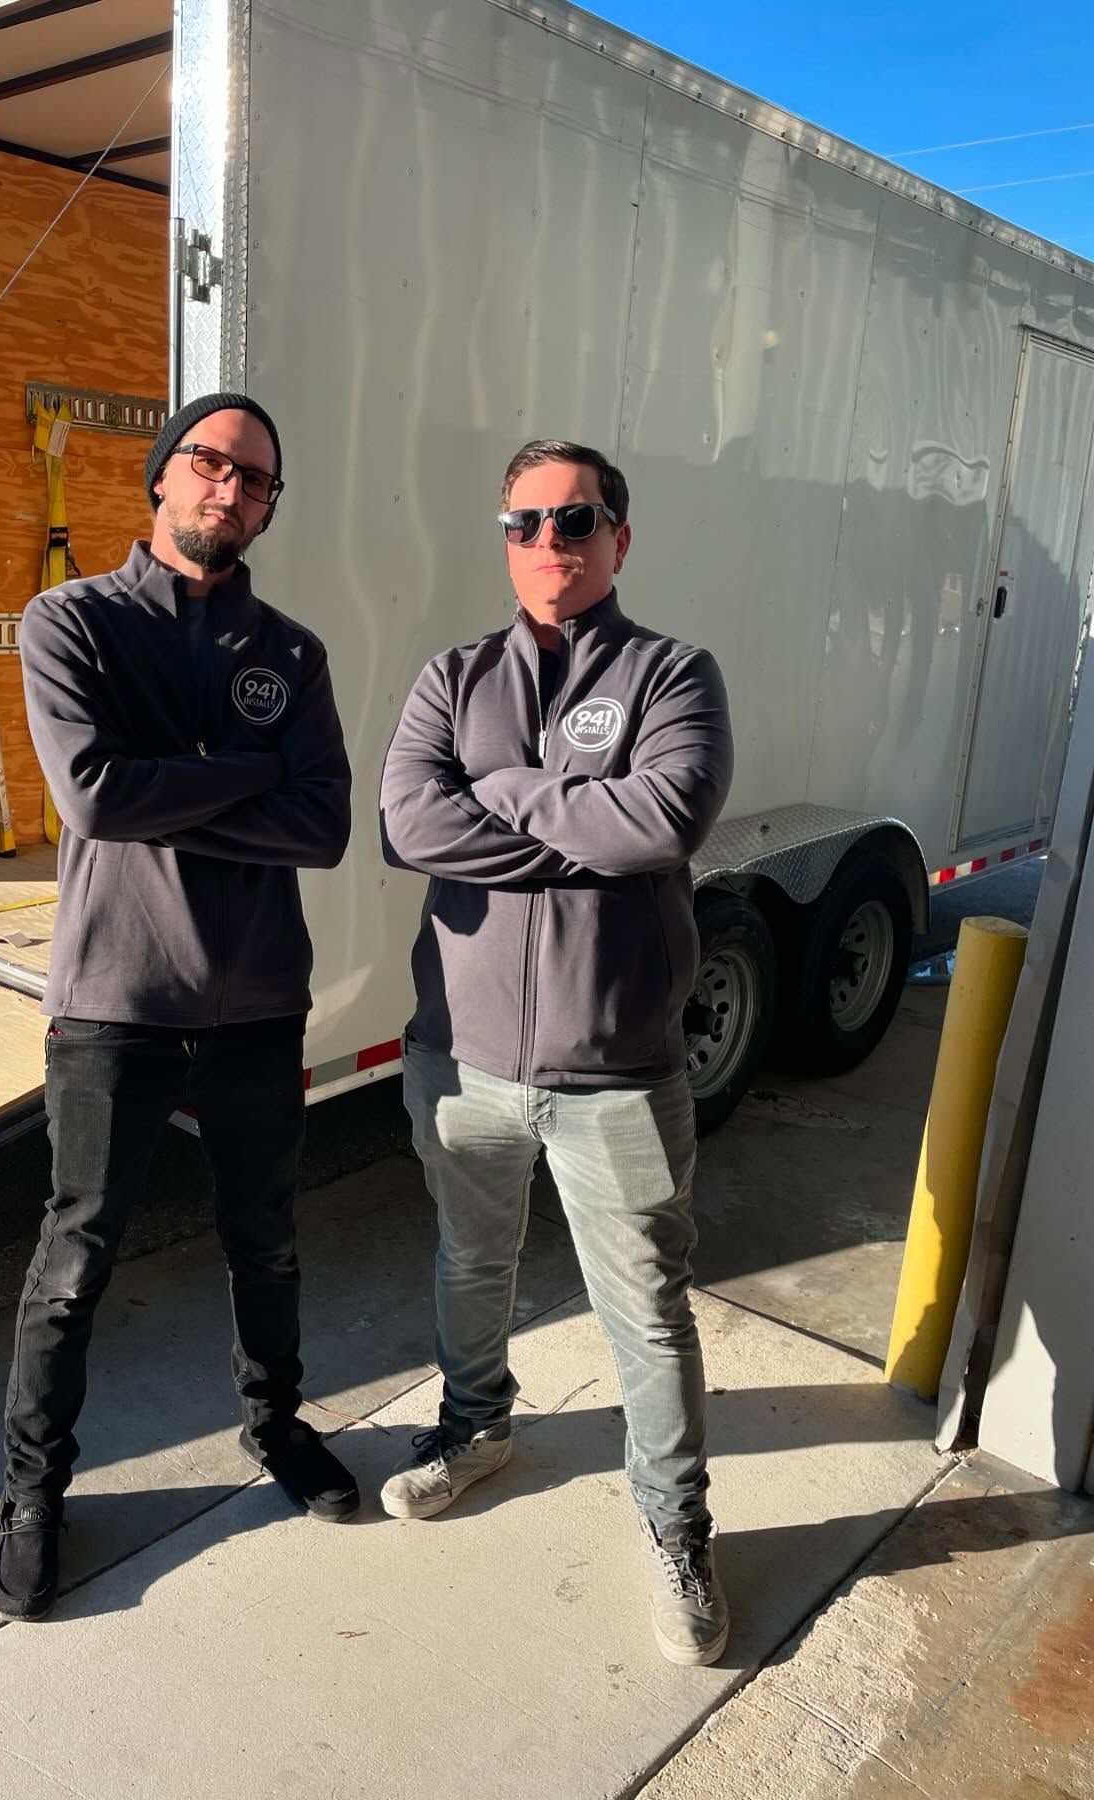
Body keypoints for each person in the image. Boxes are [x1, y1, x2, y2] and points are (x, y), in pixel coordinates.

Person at [0, 394, 357, 1623]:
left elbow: (327, 824)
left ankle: (276, 1425)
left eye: (255, 480)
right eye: (209, 465)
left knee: (268, 1237)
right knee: (76, 1255)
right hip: (116, 1001)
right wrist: (253, 772)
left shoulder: (291, 653)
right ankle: (34, 1490)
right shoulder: (72, 621)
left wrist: (179, 782)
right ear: (161, 479)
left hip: (256, 1002)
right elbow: (92, 797)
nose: (229, 491)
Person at [378, 438, 734, 1666]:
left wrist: (510, 788)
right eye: (524, 524)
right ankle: (475, 1430)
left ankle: (678, 1529)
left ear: (619, 538)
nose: (549, 544)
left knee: (647, 1311)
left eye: (576, 521)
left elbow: (665, 818)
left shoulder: (674, 673)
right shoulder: (451, 675)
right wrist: (577, 816)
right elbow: (409, 823)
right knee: (469, 1269)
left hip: (619, 1066)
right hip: (460, 1058)